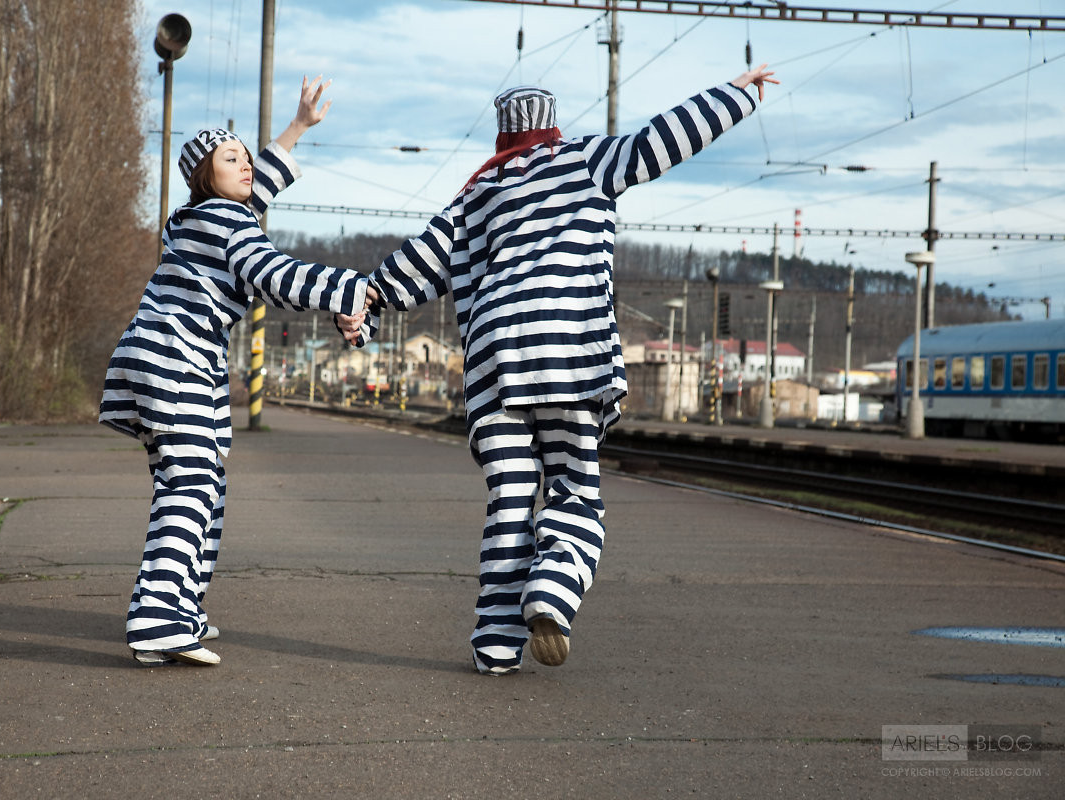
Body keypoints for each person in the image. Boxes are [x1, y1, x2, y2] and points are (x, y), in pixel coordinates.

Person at [338, 65, 778, 675]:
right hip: (569, 351)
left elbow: (406, 272)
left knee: (511, 503)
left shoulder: (472, 196)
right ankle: (551, 590)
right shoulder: (586, 161)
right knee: (576, 489)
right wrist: (736, 94)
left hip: (495, 364)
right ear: (551, 125)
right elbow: (665, 138)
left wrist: (359, 309)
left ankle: (495, 645)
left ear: (501, 135)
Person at [101, 77, 372, 667]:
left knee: (204, 489)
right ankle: (154, 622)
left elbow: (260, 185)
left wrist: (297, 126)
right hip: (176, 362)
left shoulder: (197, 219)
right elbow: (276, 275)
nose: (247, 165)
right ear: (206, 175)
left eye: (248, 157)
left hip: (167, 361)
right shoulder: (227, 225)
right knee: (191, 485)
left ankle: (179, 612)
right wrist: (351, 291)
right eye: (233, 159)